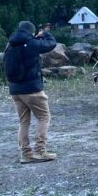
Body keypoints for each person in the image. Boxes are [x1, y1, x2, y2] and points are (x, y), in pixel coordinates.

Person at [5, 20, 58, 164]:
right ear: (32, 32)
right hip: (32, 89)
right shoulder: (32, 44)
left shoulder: (10, 43)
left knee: (24, 122)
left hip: (15, 89)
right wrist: (45, 33)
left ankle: (26, 154)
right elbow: (51, 44)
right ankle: (40, 151)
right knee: (43, 117)